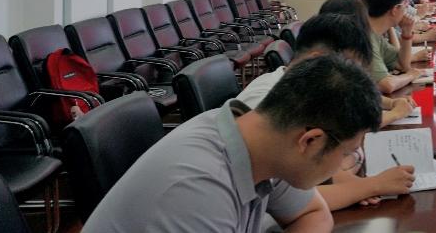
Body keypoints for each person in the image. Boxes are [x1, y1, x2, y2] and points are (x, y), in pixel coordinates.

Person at [82, 56, 382, 233]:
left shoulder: (269, 140)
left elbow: (314, 214)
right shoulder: (197, 190)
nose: (347, 162)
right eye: (347, 152)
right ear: (311, 141)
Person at [237, 11, 417, 210]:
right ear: (318, 60)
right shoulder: (266, 104)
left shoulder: (304, 92)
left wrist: (354, 180)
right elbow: (291, 200)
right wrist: (369, 186)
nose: (349, 81)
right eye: (347, 69)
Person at [363, 0, 423, 93]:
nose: (407, 7)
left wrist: (406, 32)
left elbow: (402, 64)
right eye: (405, 2)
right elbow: (386, 85)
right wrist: (411, 75)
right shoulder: (364, 35)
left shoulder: (375, 34)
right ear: (395, 9)